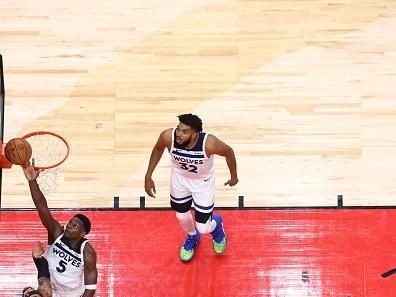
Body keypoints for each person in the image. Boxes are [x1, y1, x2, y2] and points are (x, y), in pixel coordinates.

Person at [144, 113, 238, 262]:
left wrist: (234, 176)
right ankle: (193, 236)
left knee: (204, 228)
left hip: (202, 183)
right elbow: (157, 149)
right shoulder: (168, 137)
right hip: (180, 179)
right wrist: (148, 176)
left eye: (185, 132)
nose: (179, 134)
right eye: (178, 129)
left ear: (195, 134)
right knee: (181, 215)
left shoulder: (209, 143)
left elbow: (229, 152)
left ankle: (217, 225)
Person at [22, 163, 98, 297]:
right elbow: (42, 207)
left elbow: (90, 288)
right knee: (42, 291)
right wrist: (32, 181)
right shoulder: (57, 232)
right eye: (70, 222)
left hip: (72, 294)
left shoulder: (88, 252)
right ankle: (34, 293)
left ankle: (30, 292)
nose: (69, 225)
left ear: (82, 233)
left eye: (75, 226)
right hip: (49, 285)